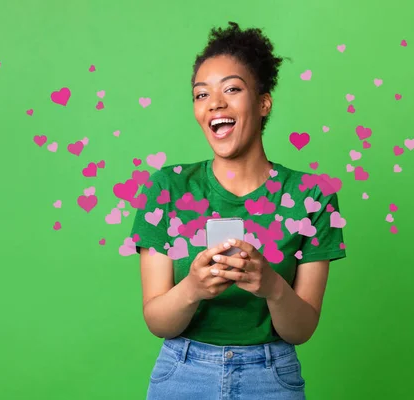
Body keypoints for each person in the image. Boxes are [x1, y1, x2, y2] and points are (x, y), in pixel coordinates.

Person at [131, 21, 347, 400]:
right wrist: (194, 288)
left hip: (272, 376)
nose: (215, 103)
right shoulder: (166, 188)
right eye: (201, 94)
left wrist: (272, 287)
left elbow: (302, 330)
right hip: (181, 375)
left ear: (263, 102)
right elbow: (157, 320)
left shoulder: (312, 196)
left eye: (232, 88)